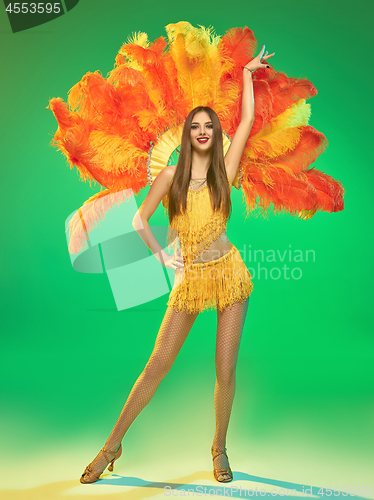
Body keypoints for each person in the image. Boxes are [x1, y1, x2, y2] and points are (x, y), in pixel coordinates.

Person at [80, 45, 275, 485]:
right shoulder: (170, 176)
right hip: (190, 281)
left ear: (215, 132)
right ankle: (112, 445)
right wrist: (162, 253)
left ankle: (219, 448)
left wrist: (247, 73)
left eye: (209, 126)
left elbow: (246, 122)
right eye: (196, 126)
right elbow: (138, 219)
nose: (203, 131)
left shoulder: (226, 168)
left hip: (229, 274)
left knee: (225, 368)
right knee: (156, 365)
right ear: (186, 134)